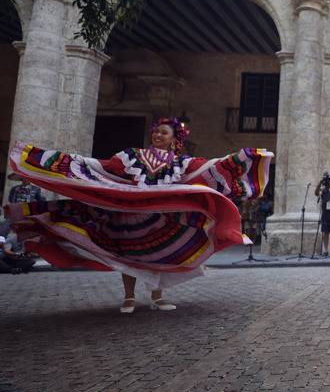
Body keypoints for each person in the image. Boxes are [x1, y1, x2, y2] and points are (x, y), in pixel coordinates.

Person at [5, 117, 272, 312]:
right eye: (156, 131)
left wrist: (241, 157)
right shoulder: (133, 156)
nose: (158, 135)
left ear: (173, 139)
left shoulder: (181, 163)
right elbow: (104, 166)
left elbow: (210, 168)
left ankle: (157, 297)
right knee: (129, 254)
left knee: (155, 254)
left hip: (160, 216)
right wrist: (70, 160)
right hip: (128, 213)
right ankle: (129, 297)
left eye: (164, 133)